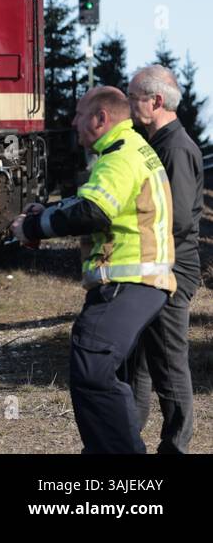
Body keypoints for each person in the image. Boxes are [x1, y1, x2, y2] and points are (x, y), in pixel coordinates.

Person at [11, 86, 175, 454]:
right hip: (141, 282)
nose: (73, 121)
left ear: (101, 119)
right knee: (100, 369)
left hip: (127, 280)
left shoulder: (119, 156)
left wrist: (34, 228)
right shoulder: (127, 150)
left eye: (79, 113)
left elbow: (94, 212)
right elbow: (93, 200)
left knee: (93, 366)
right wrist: (48, 212)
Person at [125, 65, 202, 453]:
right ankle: (127, 441)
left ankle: (175, 447)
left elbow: (179, 219)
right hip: (154, 268)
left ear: (155, 101)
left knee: (168, 364)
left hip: (171, 271)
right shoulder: (158, 144)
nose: (126, 105)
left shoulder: (173, 148)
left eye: (132, 97)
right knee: (136, 360)